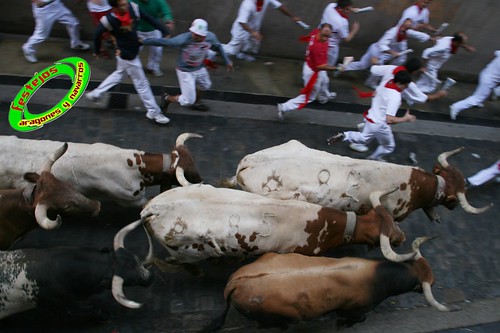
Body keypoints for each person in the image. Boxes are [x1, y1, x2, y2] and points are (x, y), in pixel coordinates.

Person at [85, 0, 171, 124]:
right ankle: (154, 112)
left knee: (119, 73)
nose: (126, 6)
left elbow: (148, 18)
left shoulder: (134, 8)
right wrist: (97, 51)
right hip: (127, 55)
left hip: (130, 50)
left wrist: (164, 30)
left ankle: (96, 94)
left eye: (125, 3)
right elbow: (97, 35)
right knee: (141, 83)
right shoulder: (109, 20)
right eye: (122, 5)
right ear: (114, 8)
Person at [347, 57, 446, 153]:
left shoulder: (392, 68)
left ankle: (365, 129)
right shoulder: (409, 84)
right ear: (415, 72)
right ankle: (361, 140)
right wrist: (438, 95)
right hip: (389, 104)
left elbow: (374, 69)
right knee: (382, 129)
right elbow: (424, 98)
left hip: (378, 98)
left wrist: (375, 61)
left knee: (375, 120)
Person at [143, 18, 233, 112]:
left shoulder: (210, 37)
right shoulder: (182, 39)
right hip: (185, 70)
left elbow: (218, 47)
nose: (195, 36)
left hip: (199, 67)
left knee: (206, 85)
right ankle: (167, 98)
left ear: (204, 35)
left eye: (199, 35)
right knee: (187, 100)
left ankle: (197, 103)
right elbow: (164, 42)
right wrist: (143, 42)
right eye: (193, 33)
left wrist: (227, 61)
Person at [326, 70, 416, 162]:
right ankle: (373, 159)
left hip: (370, 116)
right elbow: (389, 120)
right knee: (388, 146)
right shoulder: (395, 97)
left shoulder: (386, 82)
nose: (406, 88)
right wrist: (405, 119)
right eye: (406, 85)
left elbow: (374, 94)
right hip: (380, 124)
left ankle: (346, 135)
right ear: (399, 83)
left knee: (365, 138)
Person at [343, 18, 431, 88]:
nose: (407, 28)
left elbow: (404, 45)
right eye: (406, 26)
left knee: (362, 65)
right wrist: (392, 52)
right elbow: (382, 44)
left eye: (408, 27)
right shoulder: (392, 32)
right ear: (403, 24)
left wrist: (399, 55)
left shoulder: (404, 34)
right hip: (376, 51)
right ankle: (370, 82)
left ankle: (343, 67)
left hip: (380, 52)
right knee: (377, 67)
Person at [277, 23, 336, 121]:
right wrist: (338, 68)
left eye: (328, 36)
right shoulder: (317, 47)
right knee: (308, 97)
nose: (326, 39)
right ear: (320, 31)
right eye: (324, 36)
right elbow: (321, 67)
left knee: (325, 80)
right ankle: (284, 107)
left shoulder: (315, 32)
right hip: (313, 72)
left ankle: (325, 96)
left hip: (310, 65)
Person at [222, 0, 302, 62]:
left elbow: (279, 6)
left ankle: (242, 54)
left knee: (251, 44)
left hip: (254, 29)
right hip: (241, 30)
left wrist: (293, 16)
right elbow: (242, 21)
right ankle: (213, 48)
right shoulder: (247, 4)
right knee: (231, 51)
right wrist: (253, 32)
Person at [22, 0, 90, 63]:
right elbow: (37, 2)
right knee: (42, 35)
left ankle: (76, 43)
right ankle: (28, 48)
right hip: (44, 10)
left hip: (57, 5)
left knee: (74, 23)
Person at [450, 50, 500, 120]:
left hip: (485, 73)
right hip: (489, 81)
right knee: (477, 98)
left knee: (481, 92)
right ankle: (456, 107)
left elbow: (496, 52)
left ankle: (496, 92)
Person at [131, 0, 174, 77]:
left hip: (154, 30)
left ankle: (153, 67)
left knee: (157, 51)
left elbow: (166, 11)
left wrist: (168, 20)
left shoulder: (158, 1)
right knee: (133, 51)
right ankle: (132, 70)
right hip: (137, 30)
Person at [320, 0, 360, 67]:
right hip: (330, 47)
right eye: (347, 9)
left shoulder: (330, 6)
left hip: (318, 37)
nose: (349, 11)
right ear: (340, 9)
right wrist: (354, 30)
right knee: (328, 65)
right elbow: (347, 39)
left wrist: (350, 9)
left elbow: (339, 6)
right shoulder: (342, 22)